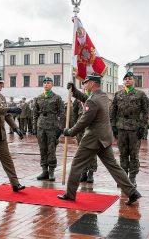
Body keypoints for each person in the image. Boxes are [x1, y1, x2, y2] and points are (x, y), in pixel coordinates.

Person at [58, 75, 141, 205]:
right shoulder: (102, 96)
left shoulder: (93, 100)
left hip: (93, 139)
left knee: (76, 164)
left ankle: (70, 194)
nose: (84, 85)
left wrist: (70, 132)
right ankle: (132, 192)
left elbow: (84, 120)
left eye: (85, 83)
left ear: (92, 83)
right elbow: (87, 99)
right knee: (113, 166)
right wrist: (74, 91)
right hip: (104, 137)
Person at [110, 72, 149, 187]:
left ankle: (132, 178)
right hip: (121, 128)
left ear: (134, 81)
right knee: (122, 154)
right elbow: (113, 110)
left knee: (134, 154)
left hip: (134, 128)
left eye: (130, 79)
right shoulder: (118, 94)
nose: (127, 80)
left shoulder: (140, 94)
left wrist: (142, 126)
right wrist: (113, 125)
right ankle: (123, 177)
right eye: (125, 79)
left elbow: (146, 111)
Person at [32, 77, 65, 181]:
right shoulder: (38, 98)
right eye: (45, 83)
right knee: (42, 148)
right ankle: (44, 170)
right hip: (41, 126)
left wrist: (61, 128)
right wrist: (34, 127)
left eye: (48, 83)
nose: (46, 85)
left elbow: (62, 114)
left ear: (52, 85)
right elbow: (35, 114)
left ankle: (51, 171)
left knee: (51, 149)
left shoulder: (57, 98)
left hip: (52, 126)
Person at [72, 95, 97, 183]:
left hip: (92, 128)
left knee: (92, 151)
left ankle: (91, 173)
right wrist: (74, 127)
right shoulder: (78, 99)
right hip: (81, 129)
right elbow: (74, 114)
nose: (86, 85)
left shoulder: (96, 98)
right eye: (84, 83)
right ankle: (83, 173)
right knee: (81, 151)